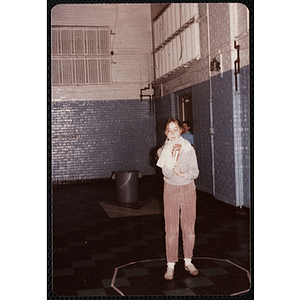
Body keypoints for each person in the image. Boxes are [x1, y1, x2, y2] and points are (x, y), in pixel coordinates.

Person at [156, 117, 199, 280]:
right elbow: (166, 175)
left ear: (181, 130)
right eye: (169, 130)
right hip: (171, 189)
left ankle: (188, 261)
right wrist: (170, 167)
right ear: (165, 133)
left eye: (176, 130)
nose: (173, 133)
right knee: (171, 228)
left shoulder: (189, 148)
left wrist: (184, 174)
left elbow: (195, 172)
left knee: (189, 227)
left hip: (188, 188)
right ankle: (171, 265)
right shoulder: (161, 151)